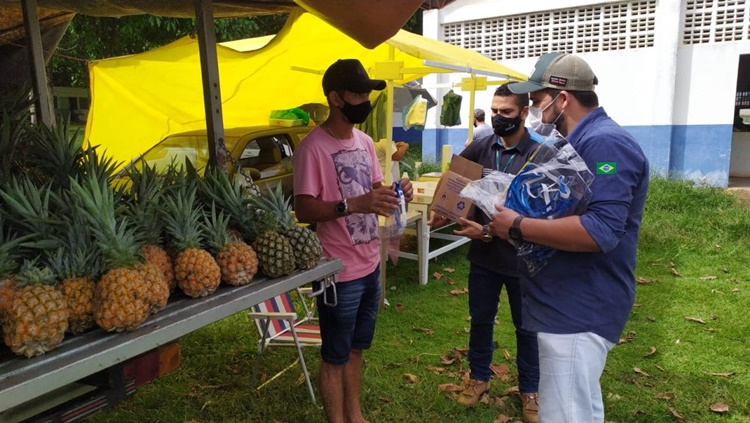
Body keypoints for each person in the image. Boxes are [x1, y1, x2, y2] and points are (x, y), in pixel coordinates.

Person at [489, 52, 650, 423]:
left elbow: (601, 229)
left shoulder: (606, 144)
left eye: (537, 101)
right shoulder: (576, 141)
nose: (532, 111)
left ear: (562, 99)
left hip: (580, 307)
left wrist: (517, 225)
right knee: (574, 410)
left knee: (566, 415)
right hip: (563, 302)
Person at [292, 58, 414, 423]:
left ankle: (355, 414)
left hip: (370, 263)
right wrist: (352, 204)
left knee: (358, 348)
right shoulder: (312, 148)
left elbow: (375, 191)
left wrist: (398, 190)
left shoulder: (363, 142)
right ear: (335, 98)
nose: (365, 100)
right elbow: (303, 209)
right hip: (336, 271)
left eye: (367, 93)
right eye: (358, 93)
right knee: (335, 354)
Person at [429, 83, 541, 423]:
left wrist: (490, 230)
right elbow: (452, 181)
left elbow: (542, 213)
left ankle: (530, 392)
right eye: (494, 111)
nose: (497, 117)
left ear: (524, 113)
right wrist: (440, 209)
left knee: (527, 328)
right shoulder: (480, 147)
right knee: (480, 320)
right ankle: (478, 379)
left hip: (522, 260)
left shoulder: (539, 155)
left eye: (506, 112)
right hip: (484, 258)